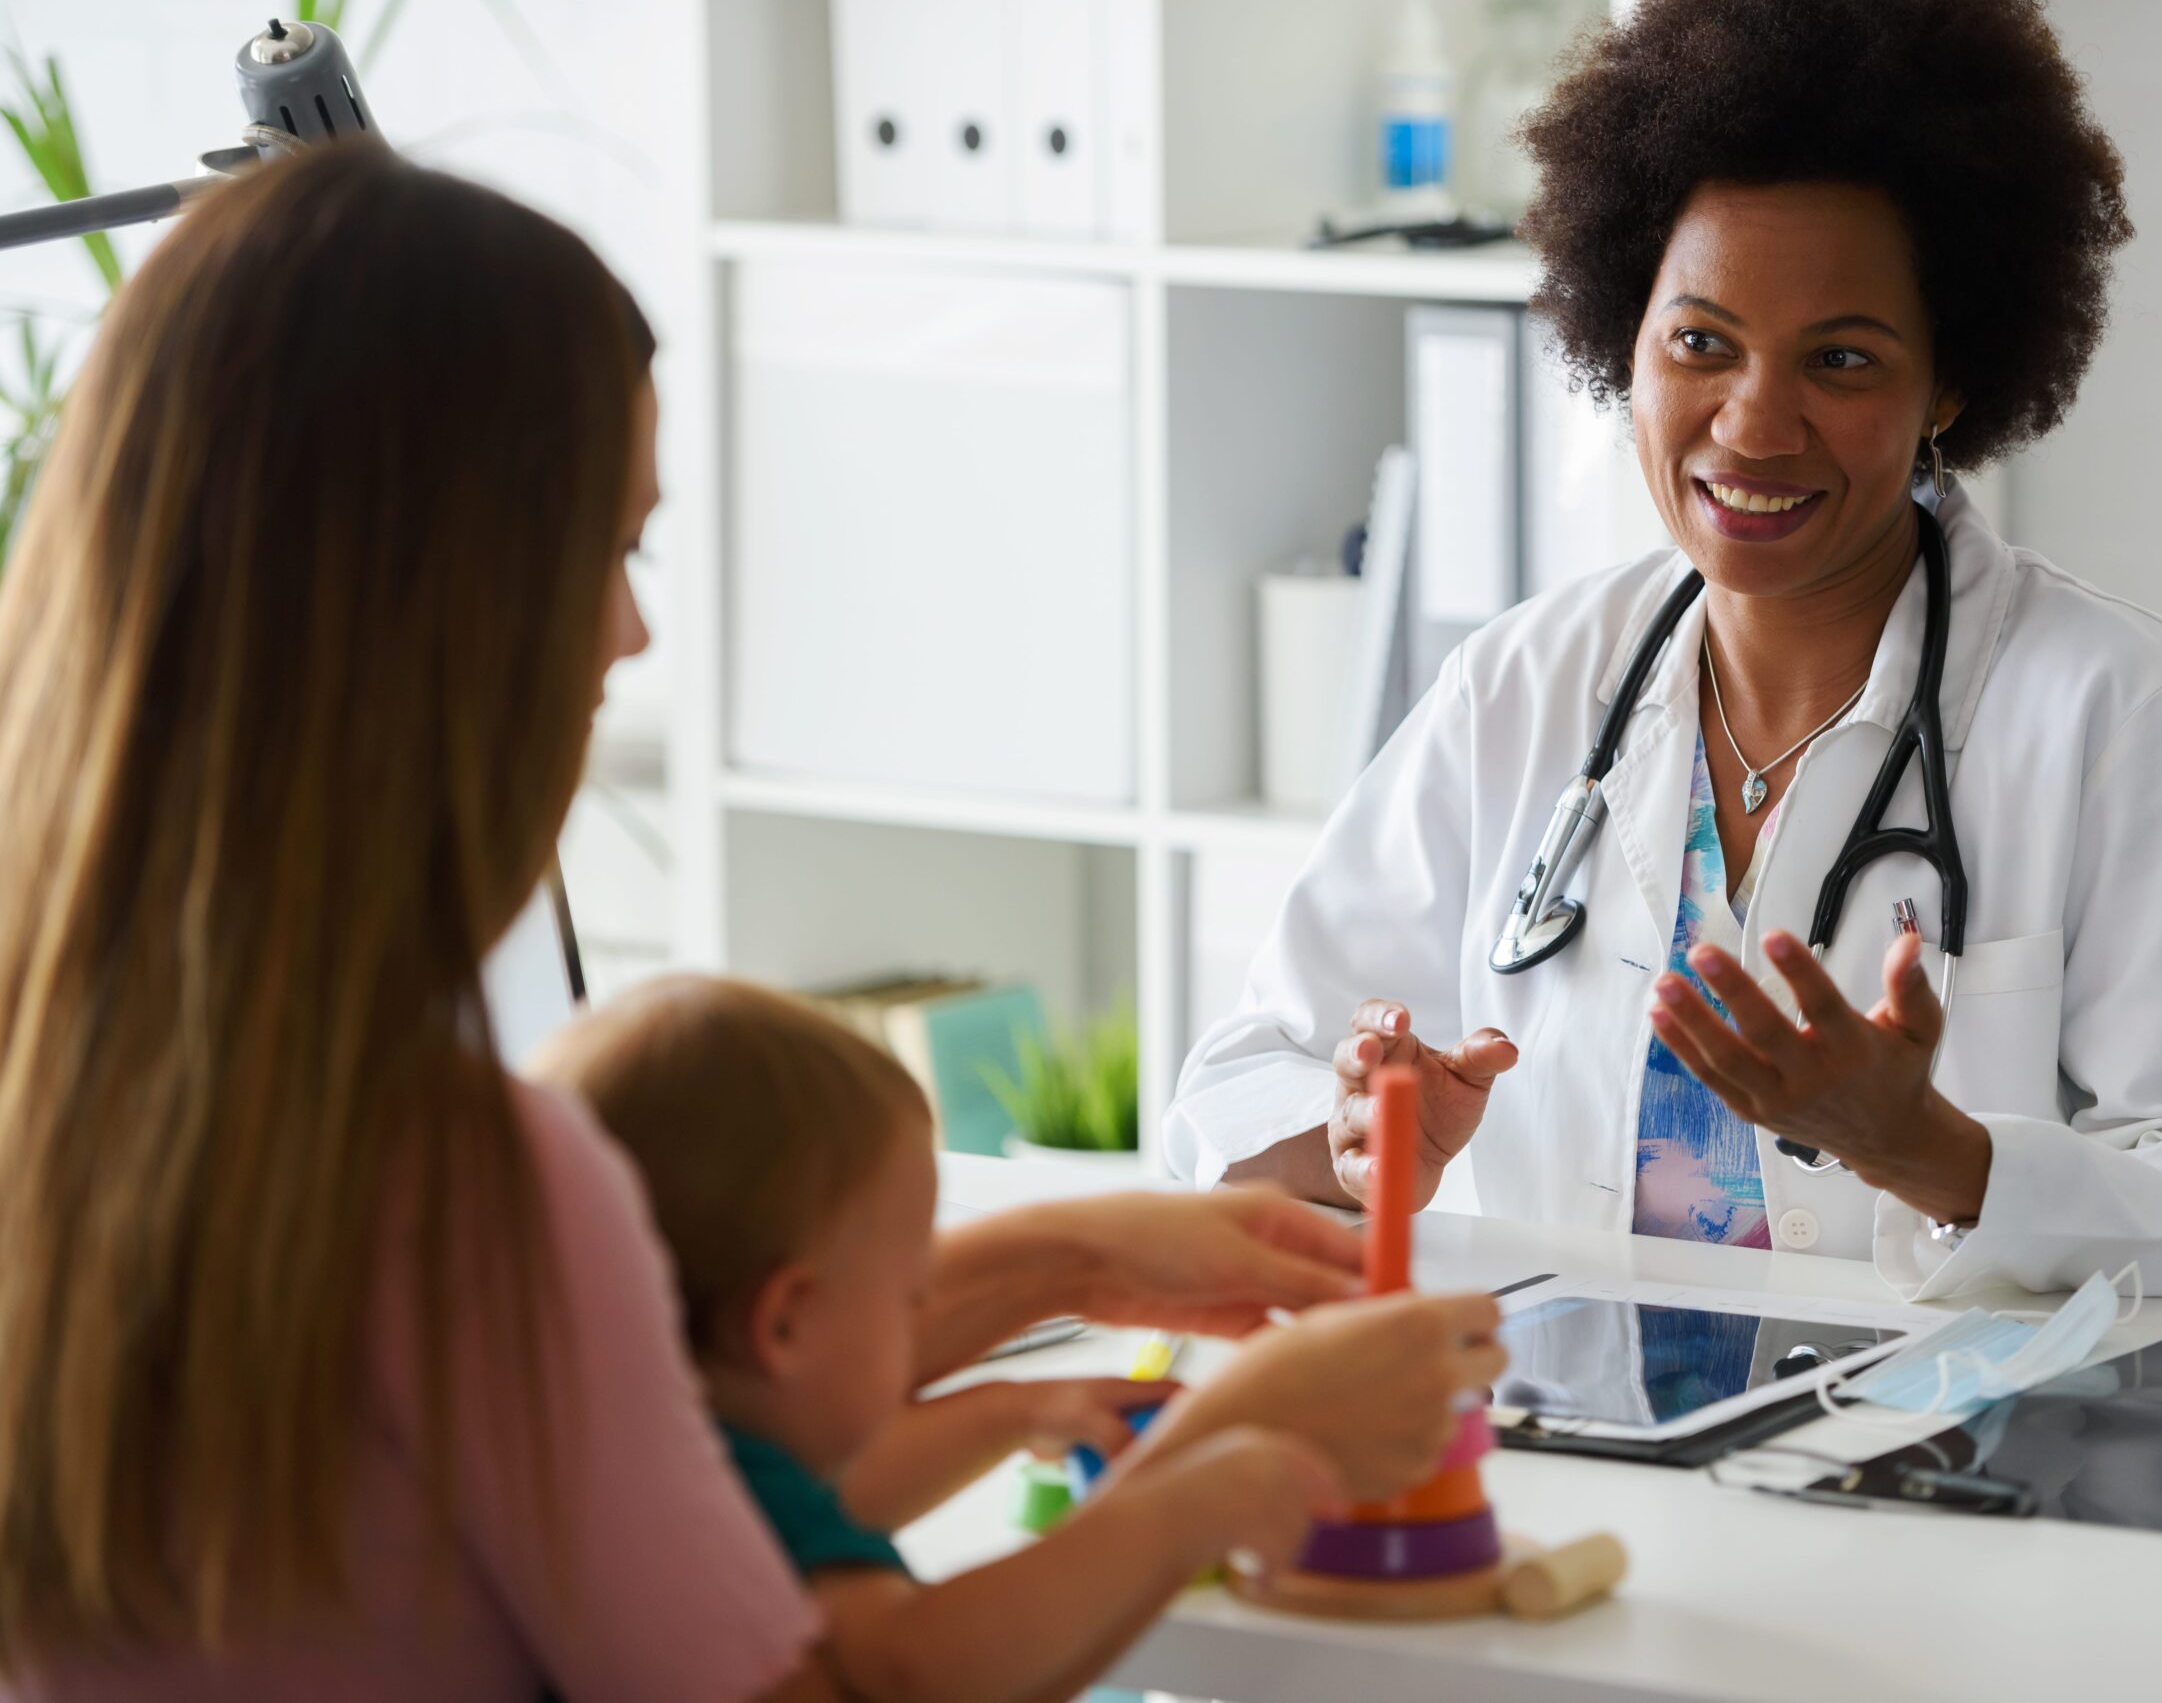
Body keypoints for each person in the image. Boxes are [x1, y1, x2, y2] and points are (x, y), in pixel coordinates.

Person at [0, 142, 1498, 1702]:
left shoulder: (101, 1115)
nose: (629, 631)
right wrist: (1254, 1455)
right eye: (611, 549)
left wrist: (1060, 1255)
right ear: (433, 606)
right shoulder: (467, 1189)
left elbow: (639, 1440)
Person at [1167, 0, 2162, 1311]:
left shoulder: (2125, 720)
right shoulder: (1524, 686)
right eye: (1700, 343)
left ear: (1946, 385)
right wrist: (1351, 1134)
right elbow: (1238, 1077)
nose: (1752, 423)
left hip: (1957, 1476)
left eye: (1841, 360)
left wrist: (1939, 1155)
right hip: (1564, 1447)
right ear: (1626, 331)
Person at [535, 975, 1503, 1703]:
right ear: (782, 1321)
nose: (930, 1308)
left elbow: (859, 1482)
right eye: (912, 1288)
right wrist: (1198, 1495)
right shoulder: (738, 1488)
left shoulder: (678, 1450)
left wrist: (1013, 1404)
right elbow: (918, 1663)